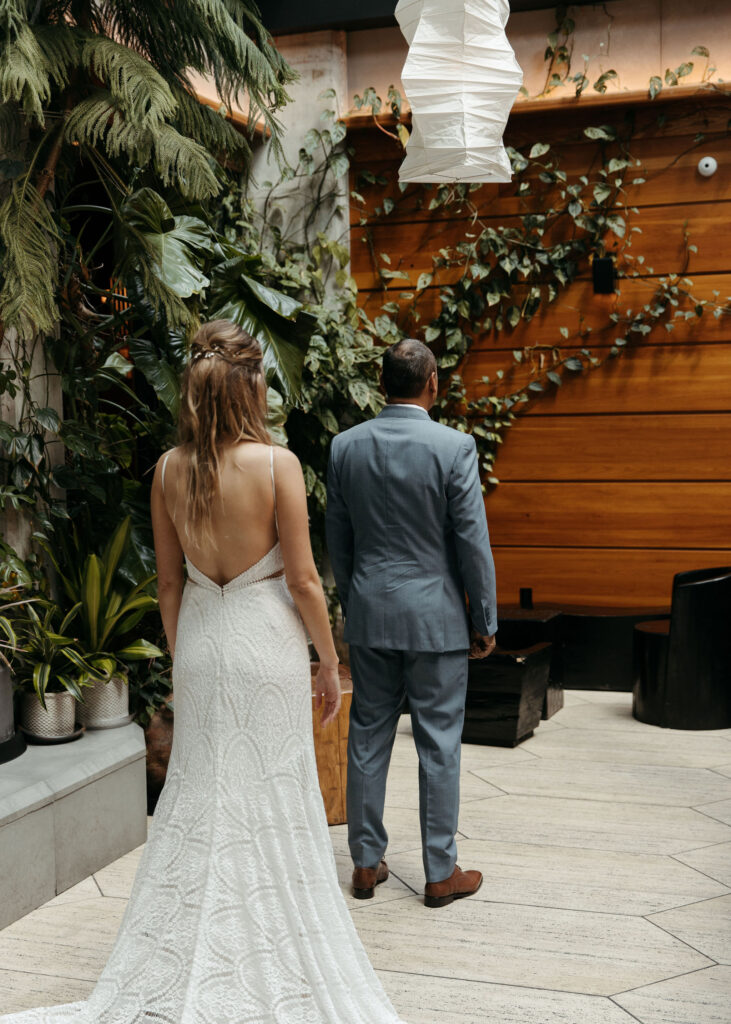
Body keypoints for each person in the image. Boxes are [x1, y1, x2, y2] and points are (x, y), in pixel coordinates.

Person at [1, 320, 407, 1024]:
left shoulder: (167, 469)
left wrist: (188, 657)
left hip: (204, 643)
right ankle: (271, 940)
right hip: (265, 644)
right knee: (273, 790)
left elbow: (168, 586)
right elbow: (306, 582)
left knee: (202, 795)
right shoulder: (275, 465)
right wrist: (328, 660)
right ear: (250, 384)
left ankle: (189, 945)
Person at [326, 337, 497, 909]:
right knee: (439, 745)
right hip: (438, 621)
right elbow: (472, 542)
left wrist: (357, 604)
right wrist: (486, 618)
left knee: (368, 739)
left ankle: (366, 864)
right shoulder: (454, 447)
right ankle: (439, 873)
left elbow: (339, 541)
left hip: (372, 615)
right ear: (432, 384)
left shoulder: (345, 447)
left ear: (382, 384)